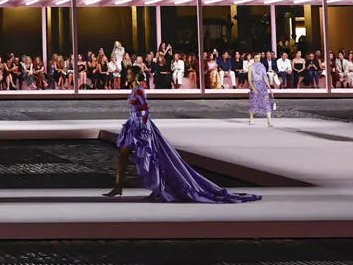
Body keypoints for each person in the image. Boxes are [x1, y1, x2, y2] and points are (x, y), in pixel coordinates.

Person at [106, 87, 260, 203]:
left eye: (130, 73)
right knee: (125, 155)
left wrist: (144, 128)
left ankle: (158, 188)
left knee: (151, 158)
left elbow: (145, 109)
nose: (128, 75)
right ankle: (119, 186)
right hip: (133, 124)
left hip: (140, 127)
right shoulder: (135, 89)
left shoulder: (139, 90)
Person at [247, 52, 275, 126]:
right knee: (254, 103)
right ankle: (251, 118)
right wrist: (253, 88)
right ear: (253, 58)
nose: (257, 59)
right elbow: (249, 80)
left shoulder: (262, 66)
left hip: (262, 86)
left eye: (258, 58)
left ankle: (269, 120)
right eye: (256, 58)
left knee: (266, 102)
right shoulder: (250, 67)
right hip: (255, 85)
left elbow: (265, 78)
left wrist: (270, 89)